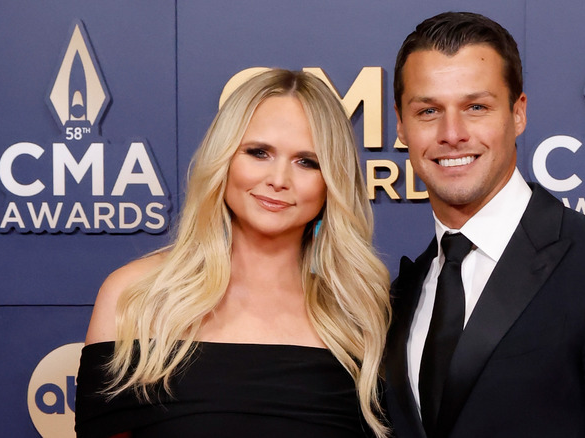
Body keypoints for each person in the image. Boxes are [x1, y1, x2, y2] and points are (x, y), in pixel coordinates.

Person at [384, 11, 585, 438]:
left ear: (518, 114)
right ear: (401, 124)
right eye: (428, 111)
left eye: (476, 107)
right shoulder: (400, 295)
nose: (451, 132)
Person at [76, 69, 391, 438]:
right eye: (258, 152)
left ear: (331, 181)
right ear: (224, 160)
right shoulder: (136, 296)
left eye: (307, 161)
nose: (278, 179)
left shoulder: (358, 312)